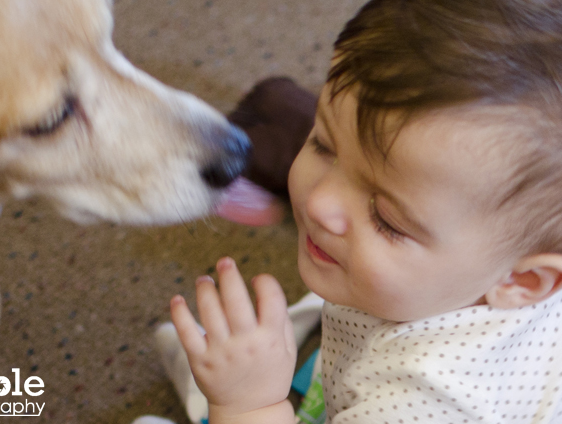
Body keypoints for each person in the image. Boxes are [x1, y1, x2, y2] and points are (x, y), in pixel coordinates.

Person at [166, 0, 562, 423]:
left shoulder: (420, 403)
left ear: (520, 280)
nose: (318, 203)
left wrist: (250, 402)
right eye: (322, 144)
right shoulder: (485, 246)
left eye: (386, 220)